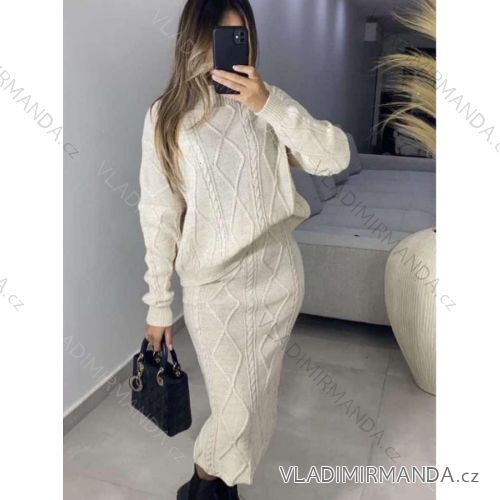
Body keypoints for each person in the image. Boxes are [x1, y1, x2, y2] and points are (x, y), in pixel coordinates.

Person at [137, 0, 350, 498]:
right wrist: (158, 303)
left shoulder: (267, 104)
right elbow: (159, 215)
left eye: (238, 38)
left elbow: (334, 156)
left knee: (258, 400)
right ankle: (205, 484)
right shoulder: (165, 117)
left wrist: (267, 104)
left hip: (277, 278)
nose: (225, 52)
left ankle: (216, 487)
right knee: (236, 409)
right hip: (213, 292)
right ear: (192, 41)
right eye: (215, 38)